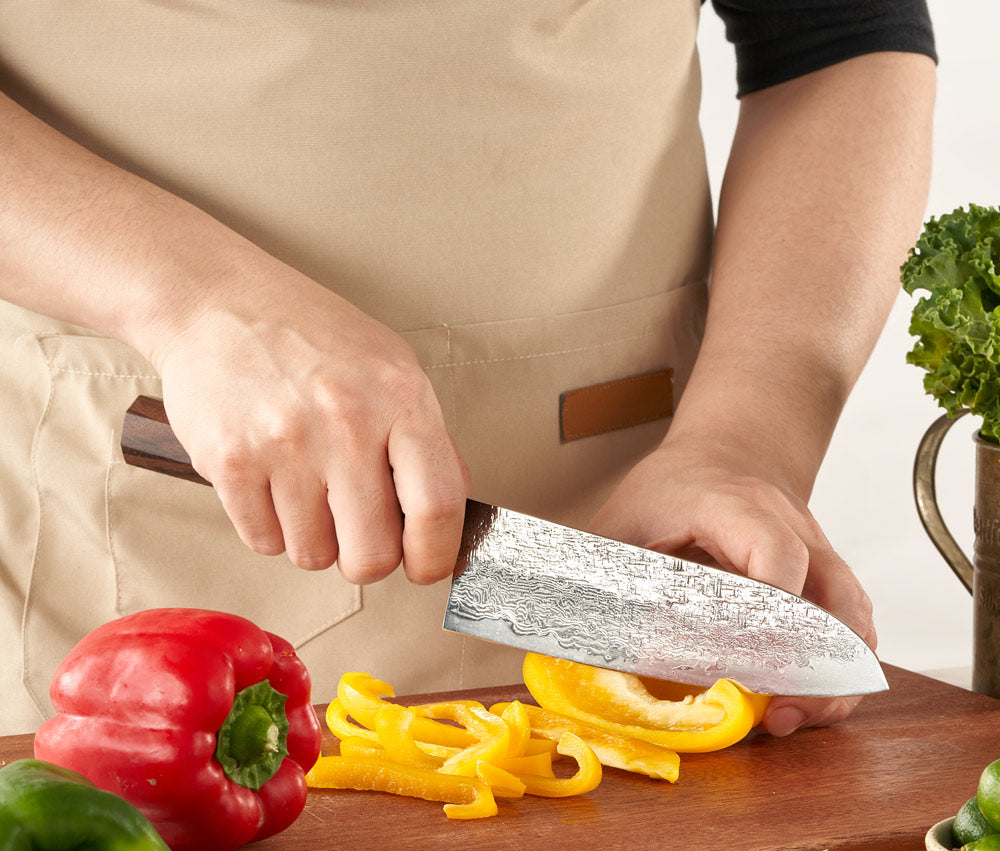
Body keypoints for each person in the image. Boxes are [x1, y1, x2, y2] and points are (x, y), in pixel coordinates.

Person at [0, 2, 936, 738]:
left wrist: (747, 437)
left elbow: (838, 32)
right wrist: (196, 301)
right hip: (148, 514)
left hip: (633, 528)